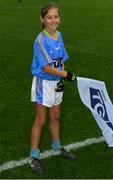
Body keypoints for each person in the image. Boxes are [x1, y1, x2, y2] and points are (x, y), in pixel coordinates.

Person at [30, 3, 76, 174]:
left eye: (56, 16)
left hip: (56, 81)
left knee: (55, 116)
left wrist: (62, 76)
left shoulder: (59, 35)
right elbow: (46, 67)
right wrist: (65, 75)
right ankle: (34, 155)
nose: (53, 20)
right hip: (44, 82)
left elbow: (61, 59)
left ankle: (57, 146)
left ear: (60, 19)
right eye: (49, 17)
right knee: (41, 119)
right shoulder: (40, 40)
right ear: (42, 19)